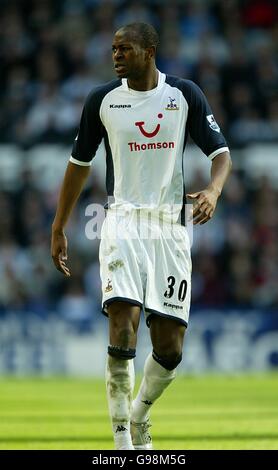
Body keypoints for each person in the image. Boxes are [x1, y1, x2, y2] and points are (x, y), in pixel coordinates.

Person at [51, 22, 232, 450]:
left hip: (170, 227)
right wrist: (59, 224)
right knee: (123, 323)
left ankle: (138, 416)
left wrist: (213, 190)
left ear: (149, 51)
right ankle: (120, 443)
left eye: (124, 49)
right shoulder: (102, 100)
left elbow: (221, 154)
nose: (115, 55)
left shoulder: (183, 95)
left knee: (170, 348)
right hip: (122, 221)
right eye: (113, 49)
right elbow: (79, 163)